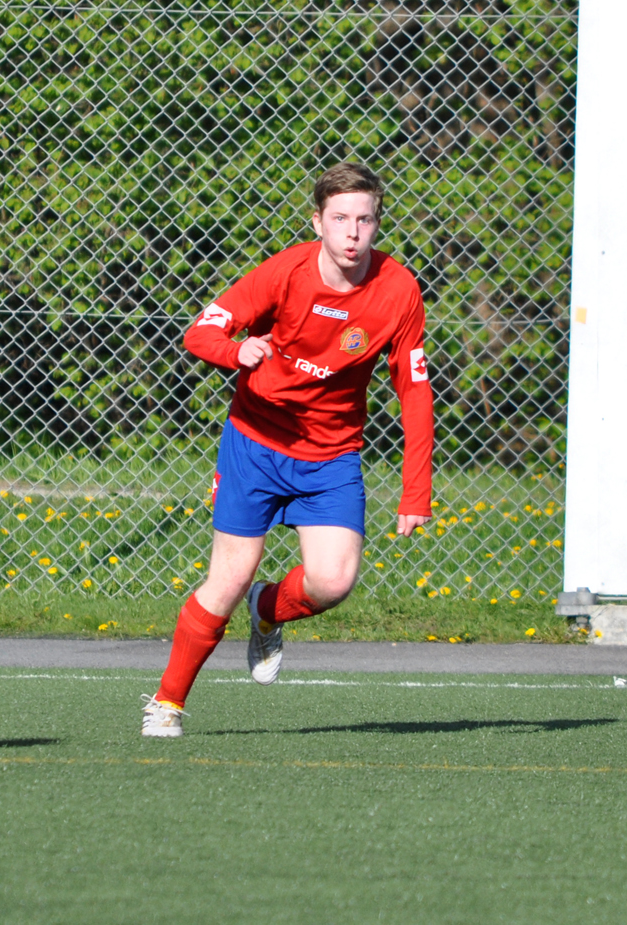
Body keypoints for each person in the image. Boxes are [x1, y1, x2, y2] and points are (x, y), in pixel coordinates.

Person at [142, 163, 434, 737]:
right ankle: (167, 703)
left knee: (333, 581)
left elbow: (415, 389)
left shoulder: (398, 289)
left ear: (377, 224)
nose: (353, 233)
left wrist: (416, 491)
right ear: (318, 222)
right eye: (340, 219)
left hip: (331, 456)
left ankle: (267, 609)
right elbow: (201, 331)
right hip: (255, 445)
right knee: (227, 579)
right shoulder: (285, 271)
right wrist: (235, 352)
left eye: (365, 220)